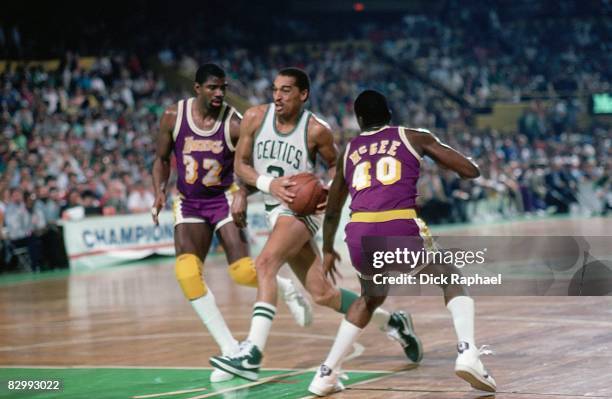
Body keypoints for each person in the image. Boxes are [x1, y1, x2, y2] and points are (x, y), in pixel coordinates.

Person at [210, 69, 422, 381]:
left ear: (303, 95)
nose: (278, 96)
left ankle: (252, 352)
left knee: (266, 264)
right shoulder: (255, 118)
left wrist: (326, 189)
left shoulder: (316, 130)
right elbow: (242, 165)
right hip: (273, 204)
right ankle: (393, 323)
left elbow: (339, 167)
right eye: (275, 90)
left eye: (286, 90)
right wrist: (248, 190)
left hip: (301, 212)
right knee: (322, 293)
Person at [308, 90, 496, 395]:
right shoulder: (414, 136)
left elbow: (331, 212)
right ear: (390, 114)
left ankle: (326, 373)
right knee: (449, 276)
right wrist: (467, 164)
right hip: (398, 226)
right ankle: (467, 352)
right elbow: (468, 171)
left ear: (359, 120)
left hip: (359, 234)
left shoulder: (349, 151)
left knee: (369, 298)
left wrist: (328, 250)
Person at [151, 64, 311, 383]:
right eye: (213, 87)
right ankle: (231, 348)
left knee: (240, 272)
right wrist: (158, 190)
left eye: (223, 87)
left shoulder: (235, 124)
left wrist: (244, 191)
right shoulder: (172, 116)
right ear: (197, 88)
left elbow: (253, 163)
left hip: (224, 198)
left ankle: (285, 287)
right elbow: (160, 158)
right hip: (189, 202)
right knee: (186, 273)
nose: (219, 93)